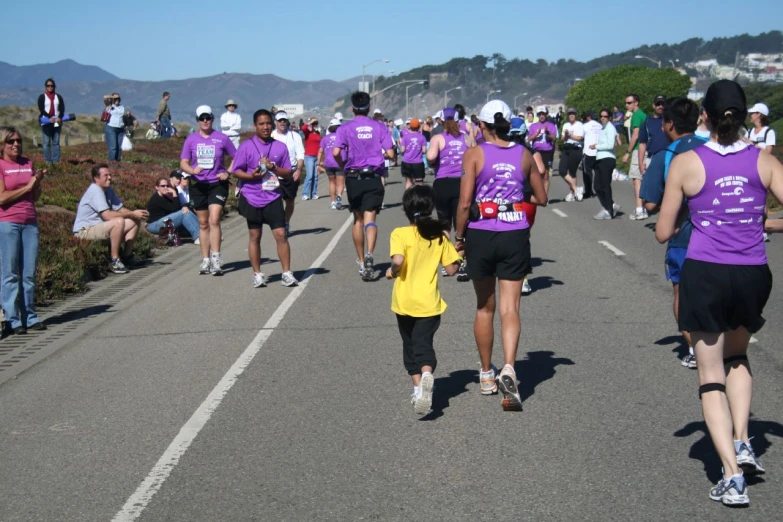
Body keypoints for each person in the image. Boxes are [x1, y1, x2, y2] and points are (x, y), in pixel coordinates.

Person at [655, 80, 781, 507]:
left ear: (704, 115)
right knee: (738, 357)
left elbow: (662, 232)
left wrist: (699, 213)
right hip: (752, 273)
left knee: (710, 375)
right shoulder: (765, 160)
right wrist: (760, 223)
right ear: (745, 116)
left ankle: (731, 474)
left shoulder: (687, 163)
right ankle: (744, 440)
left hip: (705, 273)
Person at [454, 100, 547, 411]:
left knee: (484, 307)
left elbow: (465, 203)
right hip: (515, 233)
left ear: (481, 125)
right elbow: (542, 197)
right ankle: (509, 366)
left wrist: (459, 237)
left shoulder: (474, 154)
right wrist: (515, 194)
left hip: (482, 233)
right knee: (511, 309)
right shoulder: (523, 154)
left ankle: (485, 374)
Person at [640, 97, 706, 369]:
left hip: (681, 237)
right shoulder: (713, 148)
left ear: (668, 124)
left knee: (682, 294)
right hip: (719, 235)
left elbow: (650, 203)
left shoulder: (666, 156)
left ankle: (693, 348)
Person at [387, 185, 461, 415]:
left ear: (406, 210)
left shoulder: (400, 233)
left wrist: (393, 270)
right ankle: (427, 374)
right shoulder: (439, 236)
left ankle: (419, 387)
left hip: (404, 302)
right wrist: (458, 254)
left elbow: (398, 260)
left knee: (409, 346)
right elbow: (451, 270)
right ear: (431, 208)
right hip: (429, 303)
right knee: (424, 344)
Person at [231, 109, 299, 288]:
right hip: (251, 197)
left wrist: (273, 168)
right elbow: (236, 170)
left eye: (268, 123)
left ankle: (286, 273)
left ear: (273, 124)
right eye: (261, 124)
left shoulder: (279, 146)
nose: (265, 127)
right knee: (255, 236)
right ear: (255, 126)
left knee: (281, 234)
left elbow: (288, 173)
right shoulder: (246, 146)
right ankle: (257, 274)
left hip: (273, 197)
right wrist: (252, 176)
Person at [332, 91, 395, 281]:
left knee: (357, 220)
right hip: (373, 176)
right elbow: (391, 154)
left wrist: (344, 165)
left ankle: (361, 261)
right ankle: (369, 253)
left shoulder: (345, 128)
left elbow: (336, 152)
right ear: (368, 107)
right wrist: (378, 157)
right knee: (371, 219)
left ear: (352, 108)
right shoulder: (379, 126)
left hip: (353, 177)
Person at [179, 105, 236, 275]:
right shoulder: (191, 139)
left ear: (212, 118)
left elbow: (236, 157)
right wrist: (191, 171)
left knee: (214, 219)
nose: (205, 121)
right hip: (198, 185)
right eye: (202, 118)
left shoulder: (222, 138)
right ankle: (205, 260)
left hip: (217, 184)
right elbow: (183, 162)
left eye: (208, 118)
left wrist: (228, 172)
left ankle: (216, 258)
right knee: (203, 224)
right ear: (197, 120)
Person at [0, 127, 45, 334]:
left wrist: (36, 184)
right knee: (10, 273)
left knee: (28, 273)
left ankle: (30, 315)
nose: (16, 144)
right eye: (11, 141)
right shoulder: (1, 166)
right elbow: (2, 198)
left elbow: (34, 197)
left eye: (18, 140)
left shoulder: (28, 163)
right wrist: (27, 187)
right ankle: (12, 318)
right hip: (8, 223)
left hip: (30, 222)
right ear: (2, 144)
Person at [73, 164, 148, 273]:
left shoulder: (108, 190)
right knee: (118, 222)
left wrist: (138, 214)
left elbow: (121, 209)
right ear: (96, 179)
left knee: (134, 220)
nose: (110, 177)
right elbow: (107, 216)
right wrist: (132, 213)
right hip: (83, 231)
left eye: (110, 175)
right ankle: (114, 261)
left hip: (98, 227)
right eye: (106, 175)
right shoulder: (95, 190)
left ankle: (127, 257)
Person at [426, 107, 470, 279]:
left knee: (444, 226)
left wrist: (436, 161)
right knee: (463, 224)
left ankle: (447, 264)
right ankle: (462, 261)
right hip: (462, 183)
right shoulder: (466, 138)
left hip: (443, 183)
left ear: (442, 121)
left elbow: (430, 157)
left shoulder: (438, 138)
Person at [271, 111, 305, 237]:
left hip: (291, 173)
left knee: (290, 201)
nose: (282, 122)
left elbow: (300, 154)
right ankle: (279, 224)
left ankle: (286, 222)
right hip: (274, 174)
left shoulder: (294, 136)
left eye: (284, 120)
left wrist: (299, 169)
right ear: (275, 122)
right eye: (279, 120)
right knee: (276, 201)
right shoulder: (271, 135)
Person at [145, 176, 200, 242]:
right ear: (157, 187)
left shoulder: (164, 197)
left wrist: (184, 207)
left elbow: (176, 207)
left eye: (167, 185)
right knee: (183, 213)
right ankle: (198, 237)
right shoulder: (156, 199)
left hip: (162, 222)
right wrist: (174, 193)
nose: (166, 188)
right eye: (163, 186)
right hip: (154, 225)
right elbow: (175, 208)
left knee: (186, 211)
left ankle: (203, 233)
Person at [592, 109, 621, 219]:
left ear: (609, 117)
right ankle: (611, 205)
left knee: (605, 185)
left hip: (607, 159)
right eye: (601, 116)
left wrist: (596, 146)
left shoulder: (610, 128)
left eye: (605, 116)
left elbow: (610, 145)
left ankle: (608, 210)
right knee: (597, 186)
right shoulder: (603, 128)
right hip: (600, 158)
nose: (603, 118)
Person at [623, 94, 648, 220]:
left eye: (629, 102)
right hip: (647, 149)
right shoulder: (643, 114)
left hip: (639, 149)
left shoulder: (637, 116)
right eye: (626, 103)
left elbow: (635, 135)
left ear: (636, 103)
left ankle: (639, 209)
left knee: (636, 179)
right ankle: (643, 207)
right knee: (643, 179)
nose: (627, 105)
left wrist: (628, 151)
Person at [527, 106, 558, 195]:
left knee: (546, 175)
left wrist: (548, 133)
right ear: (537, 115)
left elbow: (554, 138)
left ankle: (544, 196)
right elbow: (529, 139)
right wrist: (536, 134)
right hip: (536, 152)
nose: (541, 116)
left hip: (547, 152)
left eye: (543, 114)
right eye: (540, 114)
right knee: (537, 173)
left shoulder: (551, 125)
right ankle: (537, 193)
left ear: (546, 115)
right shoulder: (533, 126)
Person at [317, 119, 345, 210]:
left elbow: (320, 151)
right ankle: (339, 197)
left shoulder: (325, 138)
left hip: (328, 163)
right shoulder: (342, 137)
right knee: (340, 183)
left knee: (332, 182)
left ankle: (333, 203)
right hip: (340, 162)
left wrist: (318, 163)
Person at [638, 95, 668, 177]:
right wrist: (641, 163)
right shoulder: (647, 121)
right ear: (653, 106)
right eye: (658, 104)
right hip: (652, 159)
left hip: (668, 158)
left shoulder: (671, 120)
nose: (660, 106)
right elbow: (642, 143)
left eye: (663, 104)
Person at [559, 108, 584, 201]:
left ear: (576, 115)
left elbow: (580, 138)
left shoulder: (579, 125)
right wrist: (565, 135)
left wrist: (570, 135)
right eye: (569, 114)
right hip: (566, 148)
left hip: (575, 148)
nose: (571, 115)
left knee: (572, 172)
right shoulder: (566, 125)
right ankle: (576, 189)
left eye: (573, 113)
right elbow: (562, 139)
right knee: (562, 170)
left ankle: (571, 193)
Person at [37, 78, 64, 164]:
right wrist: (49, 117)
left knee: (55, 142)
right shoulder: (42, 97)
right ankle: (48, 161)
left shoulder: (58, 97)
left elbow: (62, 108)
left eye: (52, 86)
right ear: (46, 87)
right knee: (46, 142)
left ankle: (56, 160)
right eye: (48, 86)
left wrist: (59, 117)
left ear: (54, 86)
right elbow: (41, 109)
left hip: (57, 122)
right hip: (46, 122)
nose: (50, 87)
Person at [400, 118, 426, 189]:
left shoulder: (405, 137)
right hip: (418, 162)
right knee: (419, 182)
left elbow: (402, 150)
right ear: (418, 126)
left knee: (408, 181)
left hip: (406, 162)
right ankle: (419, 198)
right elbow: (424, 150)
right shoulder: (422, 137)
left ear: (410, 126)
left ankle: (407, 198)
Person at [581, 111, 602, 199]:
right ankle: (599, 189)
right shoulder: (600, 126)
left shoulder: (585, 126)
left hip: (588, 151)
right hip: (599, 152)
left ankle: (588, 191)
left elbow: (581, 137)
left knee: (587, 173)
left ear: (589, 117)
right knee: (598, 172)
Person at [301, 118, 321, 200]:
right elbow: (303, 128)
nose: (315, 126)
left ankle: (313, 194)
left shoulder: (318, 134)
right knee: (309, 176)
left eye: (316, 124)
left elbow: (320, 145)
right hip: (309, 156)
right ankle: (304, 194)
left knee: (315, 177)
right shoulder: (307, 133)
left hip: (316, 157)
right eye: (314, 124)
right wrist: (310, 122)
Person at [103, 93, 125, 162]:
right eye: (115, 99)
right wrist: (112, 96)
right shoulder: (109, 106)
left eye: (118, 99)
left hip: (120, 129)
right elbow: (105, 97)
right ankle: (111, 162)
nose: (117, 100)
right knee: (113, 147)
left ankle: (118, 161)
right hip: (111, 128)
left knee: (119, 147)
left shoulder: (122, 107)